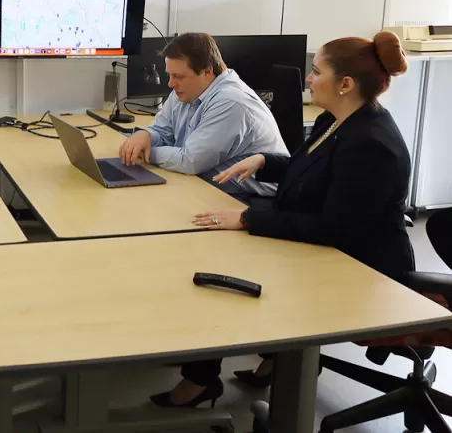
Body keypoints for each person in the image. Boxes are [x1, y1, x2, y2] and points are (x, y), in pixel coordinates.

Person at [150, 31, 415, 408]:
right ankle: (266, 361)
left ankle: (203, 377)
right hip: (324, 244)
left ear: (345, 84)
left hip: (360, 269)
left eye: (316, 71)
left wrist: (247, 218)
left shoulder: (371, 144)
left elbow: (335, 229)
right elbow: (311, 170)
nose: (308, 78)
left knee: (225, 268)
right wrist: (265, 161)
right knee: (216, 249)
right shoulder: (338, 120)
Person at [118, 32, 288, 202]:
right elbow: (164, 131)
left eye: (178, 76)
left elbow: (190, 161)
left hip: (250, 199)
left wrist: (146, 153)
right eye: (170, 75)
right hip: (207, 184)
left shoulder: (231, 102)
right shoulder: (185, 90)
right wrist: (146, 135)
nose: (171, 83)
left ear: (207, 71)